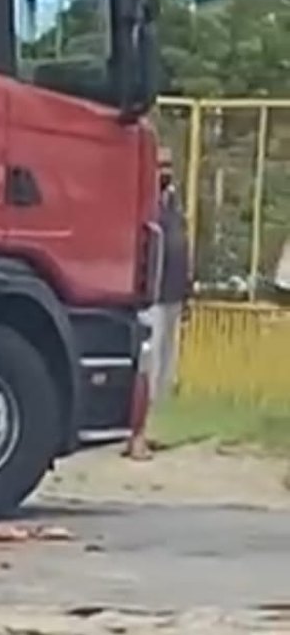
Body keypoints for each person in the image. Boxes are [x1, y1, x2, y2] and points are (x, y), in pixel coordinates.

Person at [126, 147, 191, 460]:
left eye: (169, 165)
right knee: (147, 369)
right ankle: (136, 436)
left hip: (173, 294)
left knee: (165, 370)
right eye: (160, 164)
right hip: (150, 296)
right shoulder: (142, 202)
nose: (166, 171)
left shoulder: (172, 204)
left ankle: (150, 432)